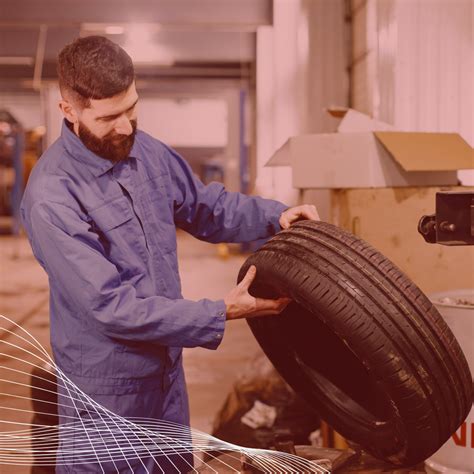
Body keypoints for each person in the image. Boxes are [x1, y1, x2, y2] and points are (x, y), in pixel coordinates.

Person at [20, 36, 319, 473]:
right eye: (108, 117)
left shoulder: (146, 152)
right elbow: (110, 306)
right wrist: (220, 311)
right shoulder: (52, 197)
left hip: (165, 377)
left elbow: (205, 207)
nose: (125, 127)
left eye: (131, 108)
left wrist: (276, 217)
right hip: (106, 396)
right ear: (69, 111)